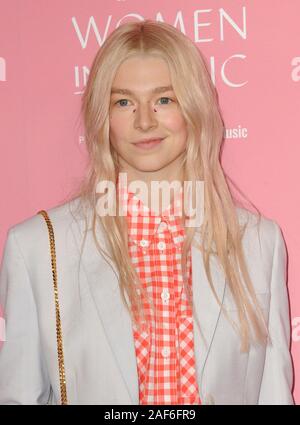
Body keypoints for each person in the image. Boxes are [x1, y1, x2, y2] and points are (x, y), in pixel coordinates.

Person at [0, 19, 294, 405]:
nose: (144, 121)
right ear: (101, 116)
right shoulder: (37, 247)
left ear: (195, 107)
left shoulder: (258, 242)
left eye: (164, 99)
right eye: (123, 102)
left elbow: (273, 395)